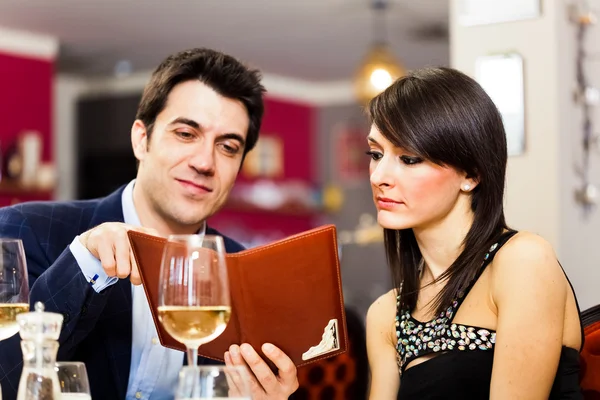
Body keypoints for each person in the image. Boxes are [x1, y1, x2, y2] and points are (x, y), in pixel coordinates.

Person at [0, 48, 299, 400]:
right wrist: (86, 261)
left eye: (228, 146)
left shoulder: (244, 275)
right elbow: (6, 376)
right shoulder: (26, 230)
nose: (205, 162)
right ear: (141, 139)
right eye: (187, 134)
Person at [365, 67, 584, 399]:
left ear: (470, 173)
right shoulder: (386, 314)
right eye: (376, 154)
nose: (380, 175)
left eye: (408, 159)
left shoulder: (521, 261)